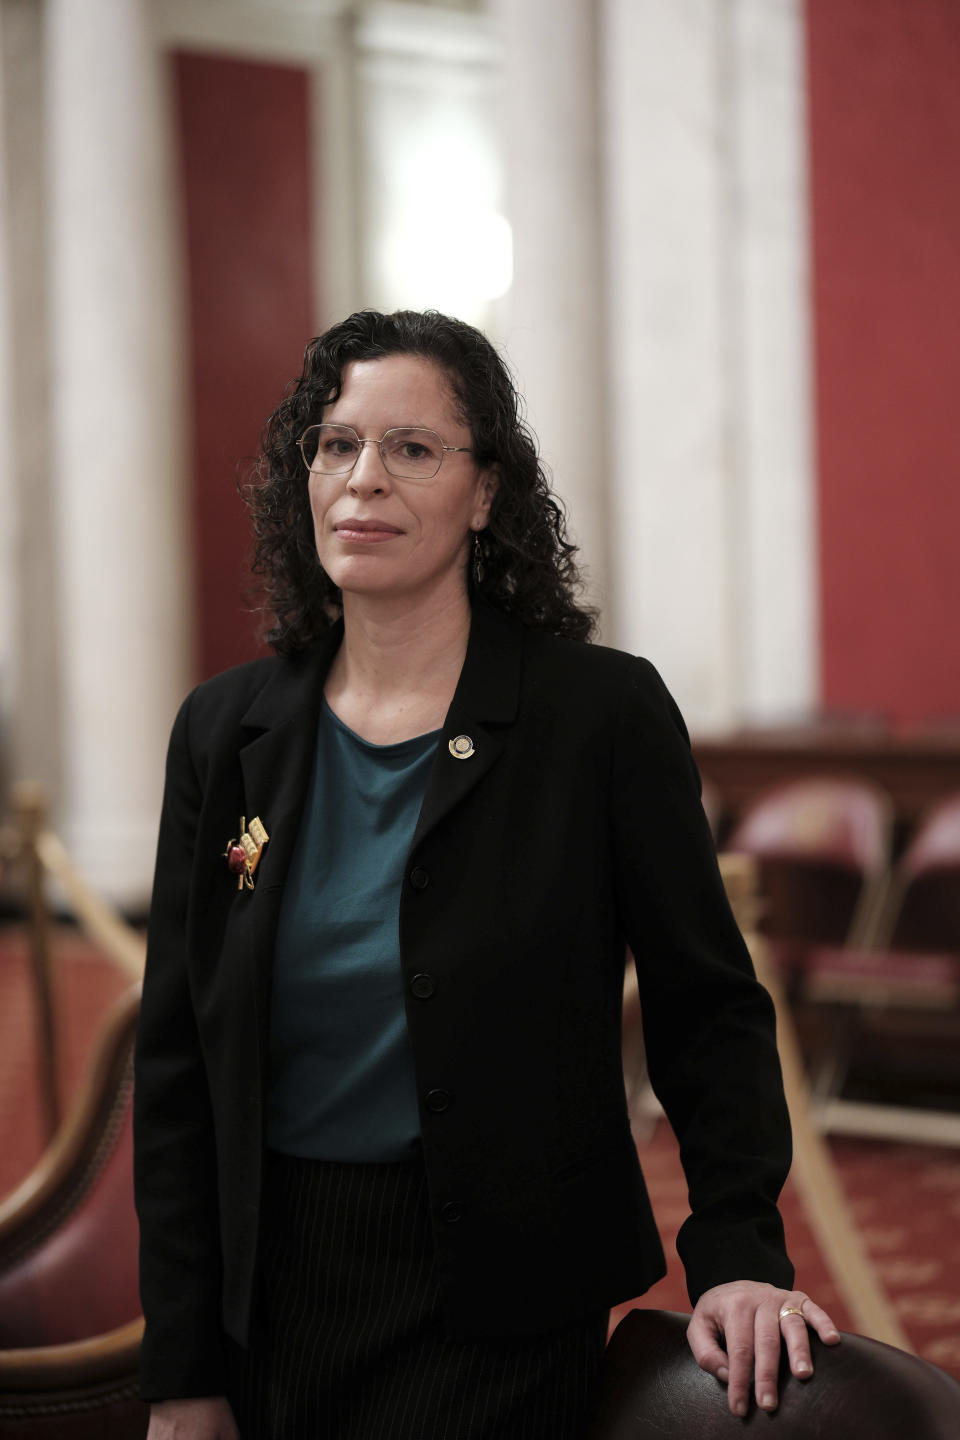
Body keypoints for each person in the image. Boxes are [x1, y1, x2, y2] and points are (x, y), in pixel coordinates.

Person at [134, 308, 839, 1440]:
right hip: (272, 1290)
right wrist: (181, 1368)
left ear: (487, 492)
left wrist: (738, 1254)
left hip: (500, 1303)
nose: (365, 479)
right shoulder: (226, 732)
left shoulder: (598, 717)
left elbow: (707, 1008)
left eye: (413, 449)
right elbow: (176, 1065)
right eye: (336, 444)